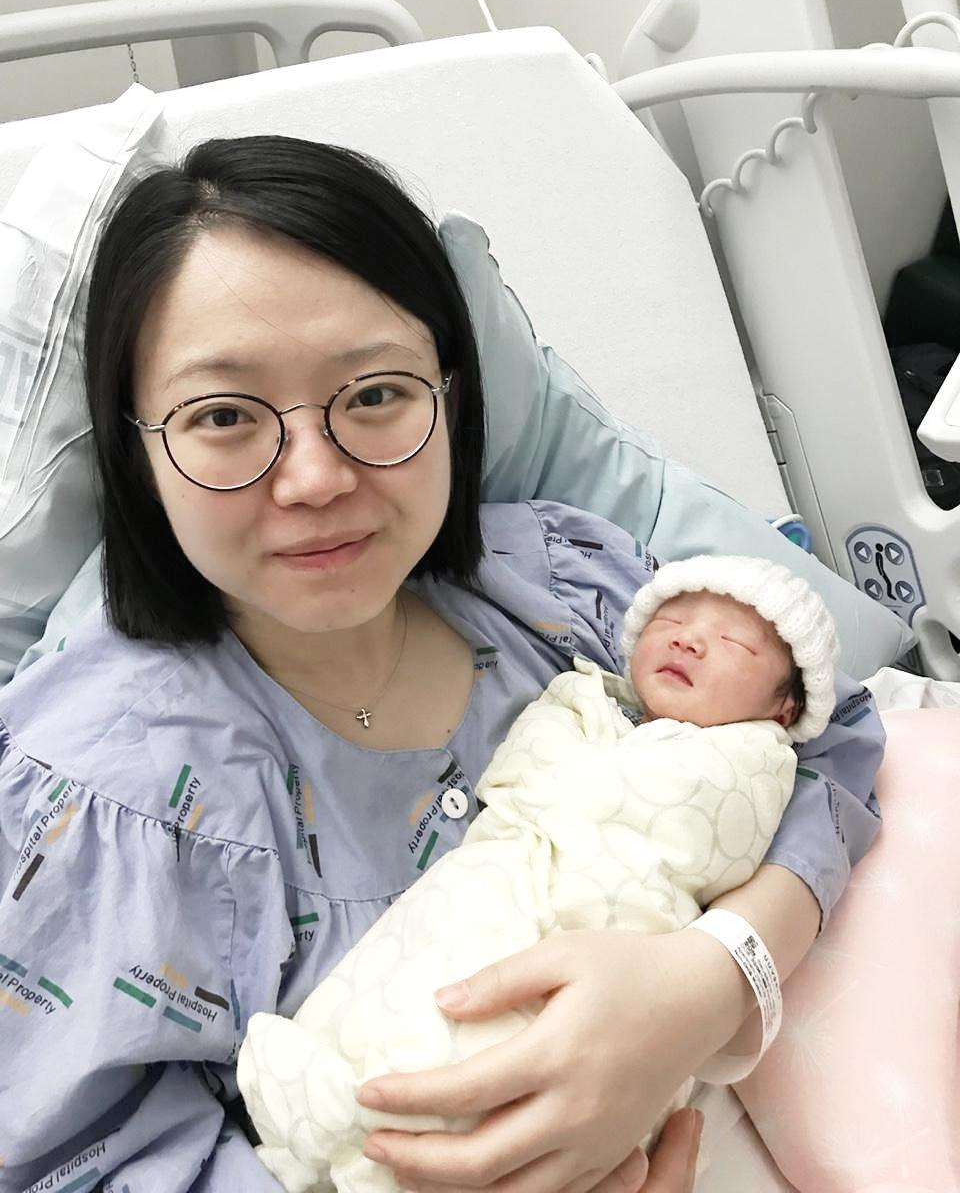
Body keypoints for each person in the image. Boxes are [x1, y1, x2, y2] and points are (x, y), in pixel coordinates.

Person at [0, 136, 884, 1193]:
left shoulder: (569, 585)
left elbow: (831, 732)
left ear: (451, 402)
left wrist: (712, 982)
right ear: (137, 451)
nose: (316, 477)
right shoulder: (98, 798)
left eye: (375, 394)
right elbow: (73, 1158)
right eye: (224, 416)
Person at [236, 556, 839, 1193]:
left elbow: (773, 796)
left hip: (622, 943)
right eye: (673, 621)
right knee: (416, 978)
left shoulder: (754, 757)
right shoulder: (583, 700)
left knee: (500, 1066)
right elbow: (517, 776)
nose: (689, 639)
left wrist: (715, 974)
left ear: (783, 710)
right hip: (494, 877)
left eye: (735, 643)